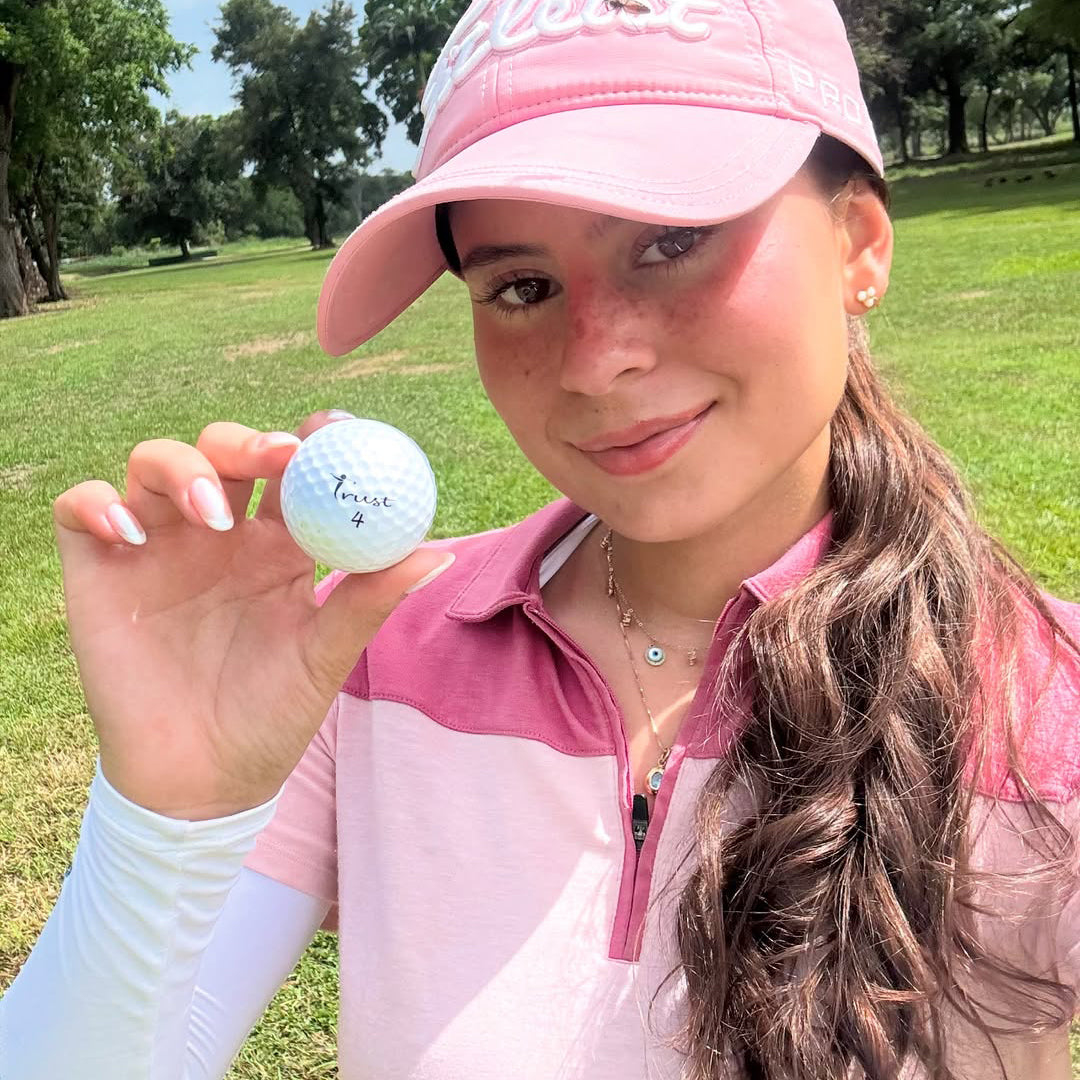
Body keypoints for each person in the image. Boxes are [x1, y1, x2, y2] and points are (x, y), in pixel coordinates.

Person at [1, 0, 1079, 1077]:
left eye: (674, 239)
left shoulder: (1045, 710)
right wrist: (167, 818)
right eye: (521, 285)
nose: (594, 359)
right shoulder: (370, 652)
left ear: (858, 245)